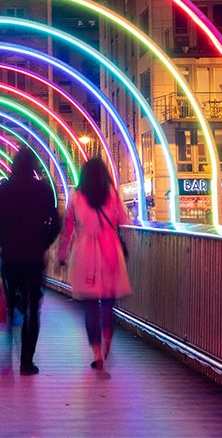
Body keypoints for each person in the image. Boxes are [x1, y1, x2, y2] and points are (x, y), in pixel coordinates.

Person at [0, 148, 60, 375]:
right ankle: (27, 362)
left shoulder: (1, 192)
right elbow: (55, 222)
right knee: (32, 308)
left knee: (8, 308)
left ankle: (6, 357)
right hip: (34, 257)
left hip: (10, 256)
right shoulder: (43, 190)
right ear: (34, 167)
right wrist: (44, 241)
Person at [58, 157, 132, 373]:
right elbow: (123, 220)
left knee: (90, 306)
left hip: (85, 253)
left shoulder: (76, 196)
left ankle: (97, 353)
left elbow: (69, 228)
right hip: (110, 251)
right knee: (108, 301)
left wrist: (63, 254)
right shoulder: (112, 194)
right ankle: (108, 340)